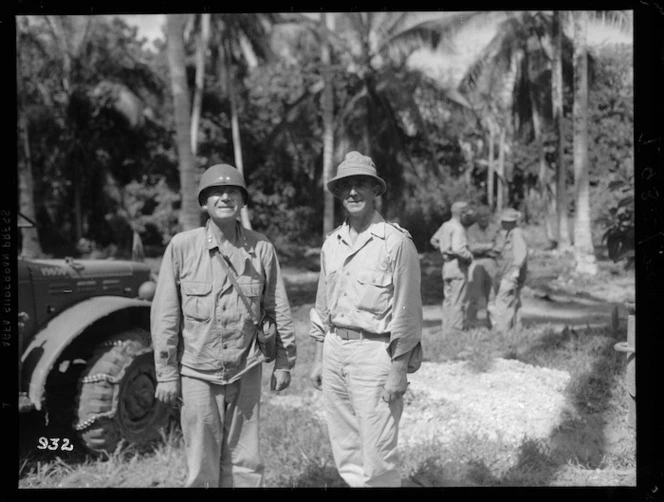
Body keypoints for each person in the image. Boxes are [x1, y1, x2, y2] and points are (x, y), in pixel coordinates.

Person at [150, 163, 296, 488]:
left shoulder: (262, 249)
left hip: (246, 370)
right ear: (204, 202)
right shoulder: (182, 247)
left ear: (242, 202)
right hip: (197, 373)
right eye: (216, 192)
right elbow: (166, 315)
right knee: (201, 467)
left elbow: (277, 308)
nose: (225, 196)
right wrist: (166, 373)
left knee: (245, 464)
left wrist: (284, 362)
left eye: (233, 192)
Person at [309, 151, 423, 487]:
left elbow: (408, 313)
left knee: (378, 449)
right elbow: (322, 305)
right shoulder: (332, 243)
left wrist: (399, 370)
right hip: (334, 351)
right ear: (339, 193)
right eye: (346, 186)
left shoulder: (395, 242)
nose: (353, 192)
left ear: (376, 191)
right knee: (346, 447)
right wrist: (318, 358)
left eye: (361, 185)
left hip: (375, 355)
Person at [430, 201, 473, 336]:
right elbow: (459, 249)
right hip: (458, 266)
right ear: (462, 214)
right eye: (466, 214)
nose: (468, 217)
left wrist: (444, 249)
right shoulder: (458, 228)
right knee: (457, 300)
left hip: (447, 265)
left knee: (448, 299)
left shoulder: (445, 225)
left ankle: (446, 329)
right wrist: (469, 256)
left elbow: (434, 240)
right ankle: (456, 331)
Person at [490, 207, 529, 332]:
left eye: (504, 221)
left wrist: (514, 271)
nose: (501, 223)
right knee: (513, 301)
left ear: (510, 222)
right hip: (507, 272)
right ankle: (516, 330)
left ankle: (503, 332)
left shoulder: (516, 233)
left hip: (511, 274)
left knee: (502, 300)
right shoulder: (509, 233)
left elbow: (521, 254)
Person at [465, 205, 500, 328]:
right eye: (480, 216)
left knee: (492, 294)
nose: (483, 219)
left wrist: (482, 247)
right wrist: (489, 246)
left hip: (492, 263)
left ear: (489, 216)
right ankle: (470, 323)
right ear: (476, 218)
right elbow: (472, 248)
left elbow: (498, 247)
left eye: (486, 216)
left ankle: (494, 324)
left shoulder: (496, 229)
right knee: (474, 294)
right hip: (476, 263)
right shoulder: (471, 230)